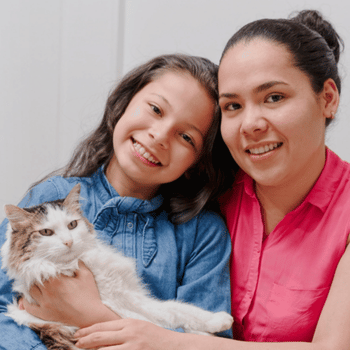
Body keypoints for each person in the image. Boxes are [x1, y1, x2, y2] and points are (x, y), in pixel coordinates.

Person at [55, 9, 350, 350]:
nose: (250, 124)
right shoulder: (203, 192)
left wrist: (165, 343)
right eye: (233, 106)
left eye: (274, 98)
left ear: (327, 98)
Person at [0, 54, 233, 350]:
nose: (159, 136)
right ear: (123, 104)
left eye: (186, 137)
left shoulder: (202, 233)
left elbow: (208, 343)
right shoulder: (51, 197)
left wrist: (93, 315)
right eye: (156, 109)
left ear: (198, 163)